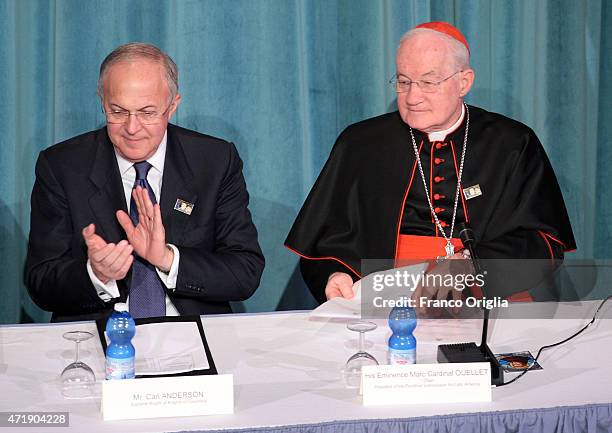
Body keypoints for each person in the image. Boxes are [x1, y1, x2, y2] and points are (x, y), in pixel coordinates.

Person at [285, 22, 576, 305]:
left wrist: (471, 264)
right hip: (385, 299)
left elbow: (544, 242)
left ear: (464, 82)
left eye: (428, 82)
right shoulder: (360, 143)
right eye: (403, 81)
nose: (413, 97)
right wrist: (332, 275)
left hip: (486, 295)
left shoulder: (512, 143)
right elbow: (323, 244)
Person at [25, 42, 264, 322]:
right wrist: (96, 274)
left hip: (191, 331)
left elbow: (245, 271)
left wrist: (166, 259)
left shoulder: (214, 161)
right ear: (102, 102)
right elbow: (40, 281)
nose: (132, 127)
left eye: (148, 112)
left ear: (172, 106)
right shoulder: (62, 166)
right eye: (118, 111)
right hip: (99, 332)